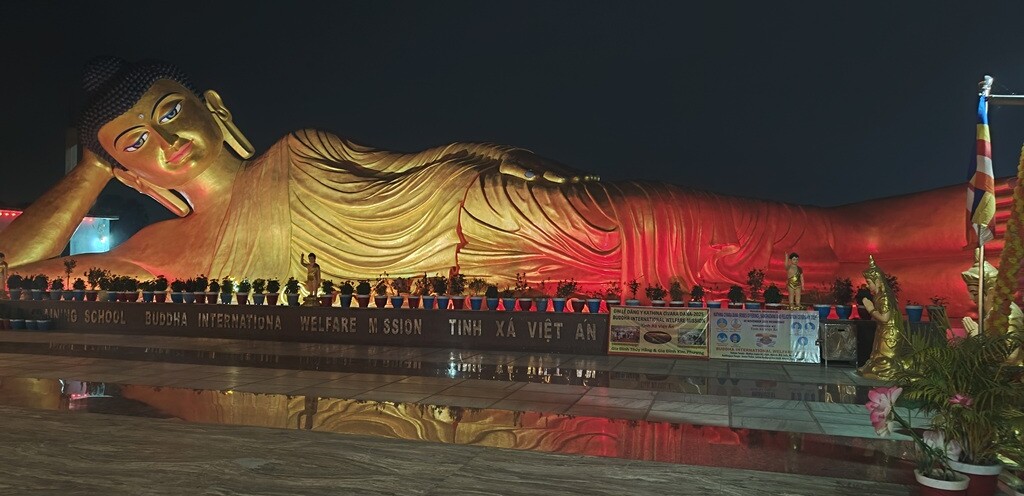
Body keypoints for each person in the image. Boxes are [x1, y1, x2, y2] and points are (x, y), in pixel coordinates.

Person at [0, 58, 962, 302]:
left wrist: (511, 160)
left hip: (512, 211)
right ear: (127, 170)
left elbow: (418, 164)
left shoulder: (294, 150)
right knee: (790, 281)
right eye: (136, 142)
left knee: (824, 237)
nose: (167, 142)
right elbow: (14, 272)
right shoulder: (160, 251)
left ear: (210, 105)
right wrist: (88, 172)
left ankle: (991, 225)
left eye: (171, 112)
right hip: (494, 285)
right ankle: (979, 298)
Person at [961, 251, 1022, 364]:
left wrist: (977, 338)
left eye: (975, 293)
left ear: (991, 292)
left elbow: (1010, 356)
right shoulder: (990, 311)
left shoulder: (1009, 314)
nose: (971, 298)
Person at [857, 256, 907, 380]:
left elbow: (885, 318)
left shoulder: (885, 297)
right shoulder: (878, 296)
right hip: (883, 331)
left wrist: (870, 309)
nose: (867, 286)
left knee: (885, 362)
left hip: (890, 333)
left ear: (878, 282)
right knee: (875, 357)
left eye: (869, 282)